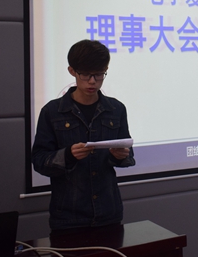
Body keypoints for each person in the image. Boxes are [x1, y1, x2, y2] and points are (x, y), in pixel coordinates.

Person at [32, 39, 135, 232]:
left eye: (99, 74)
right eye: (86, 74)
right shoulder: (52, 111)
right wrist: (68, 155)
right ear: (72, 71)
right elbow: (39, 160)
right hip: (68, 216)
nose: (92, 81)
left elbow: (128, 155)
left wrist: (120, 156)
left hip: (109, 212)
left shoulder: (116, 109)